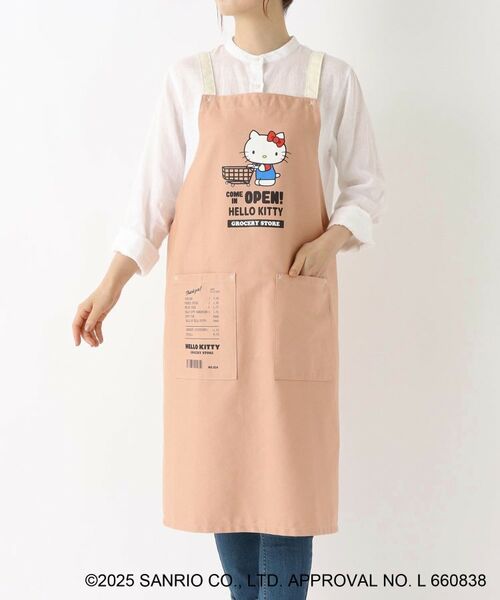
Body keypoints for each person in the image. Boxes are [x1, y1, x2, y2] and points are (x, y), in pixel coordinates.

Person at [72, 1, 385, 598]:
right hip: (211, 320)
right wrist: (108, 286)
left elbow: (366, 188)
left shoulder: (329, 79)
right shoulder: (190, 79)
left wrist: (328, 243)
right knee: (227, 485)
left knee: (289, 493)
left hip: (289, 316)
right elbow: (151, 202)